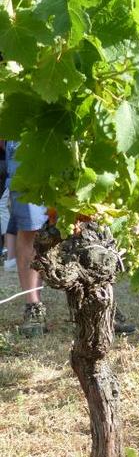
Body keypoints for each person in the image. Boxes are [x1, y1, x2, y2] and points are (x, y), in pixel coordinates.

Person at [5, 140, 49, 336]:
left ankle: (97, 303)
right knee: (29, 227)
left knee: (87, 222)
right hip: (25, 141)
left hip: (76, 136)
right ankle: (33, 307)